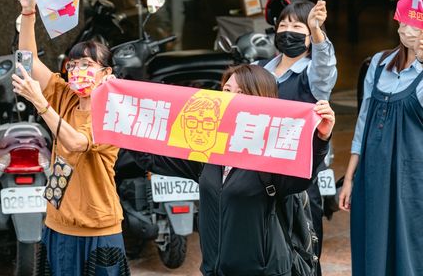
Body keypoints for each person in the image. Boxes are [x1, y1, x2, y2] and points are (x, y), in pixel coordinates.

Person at [130, 64, 335, 276]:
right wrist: (120, 117)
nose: (230, 98)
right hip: (214, 269)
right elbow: (151, 159)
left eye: (241, 92)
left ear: (264, 99)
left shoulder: (273, 155)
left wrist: (321, 139)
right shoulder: (206, 150)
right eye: (226, 91)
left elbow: (303, 176)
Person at [11, 0, 129, 276]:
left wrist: (41, 104)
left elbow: (76, 142)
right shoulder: (65, 95)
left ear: (106, 73)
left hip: (99, 228)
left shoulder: (111, 113)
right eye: (74, 65)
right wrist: (28, 13)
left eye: (88, 65)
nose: (78, 71)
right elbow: (28, 61)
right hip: (58, 223)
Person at [258, 0, 337, 276]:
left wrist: (317, 30)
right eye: (283, 24)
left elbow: (325, 68)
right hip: (260, 173)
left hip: (299, 176)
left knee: (302, 249)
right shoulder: (260, 70)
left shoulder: (313, 74)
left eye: (297, 26)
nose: (287, 30)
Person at [338, 22, 423, 276]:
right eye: (405, 22)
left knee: (409, 249)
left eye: (417, 25)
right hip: (372, 174)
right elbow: (363, 119)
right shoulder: (379, 62)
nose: (408, 29)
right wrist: (350, 178)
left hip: (412, 180)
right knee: (372, 247)